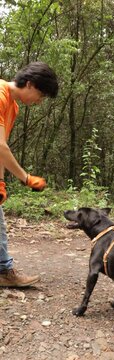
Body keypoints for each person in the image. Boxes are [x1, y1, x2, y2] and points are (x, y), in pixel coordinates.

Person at [0, 61, 58, 287]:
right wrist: (25, 178)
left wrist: (1, 182)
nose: (39, 102)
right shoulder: (1, 94)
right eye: (41, 96)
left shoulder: (12, 106)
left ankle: (4, 270)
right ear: (30, 84)